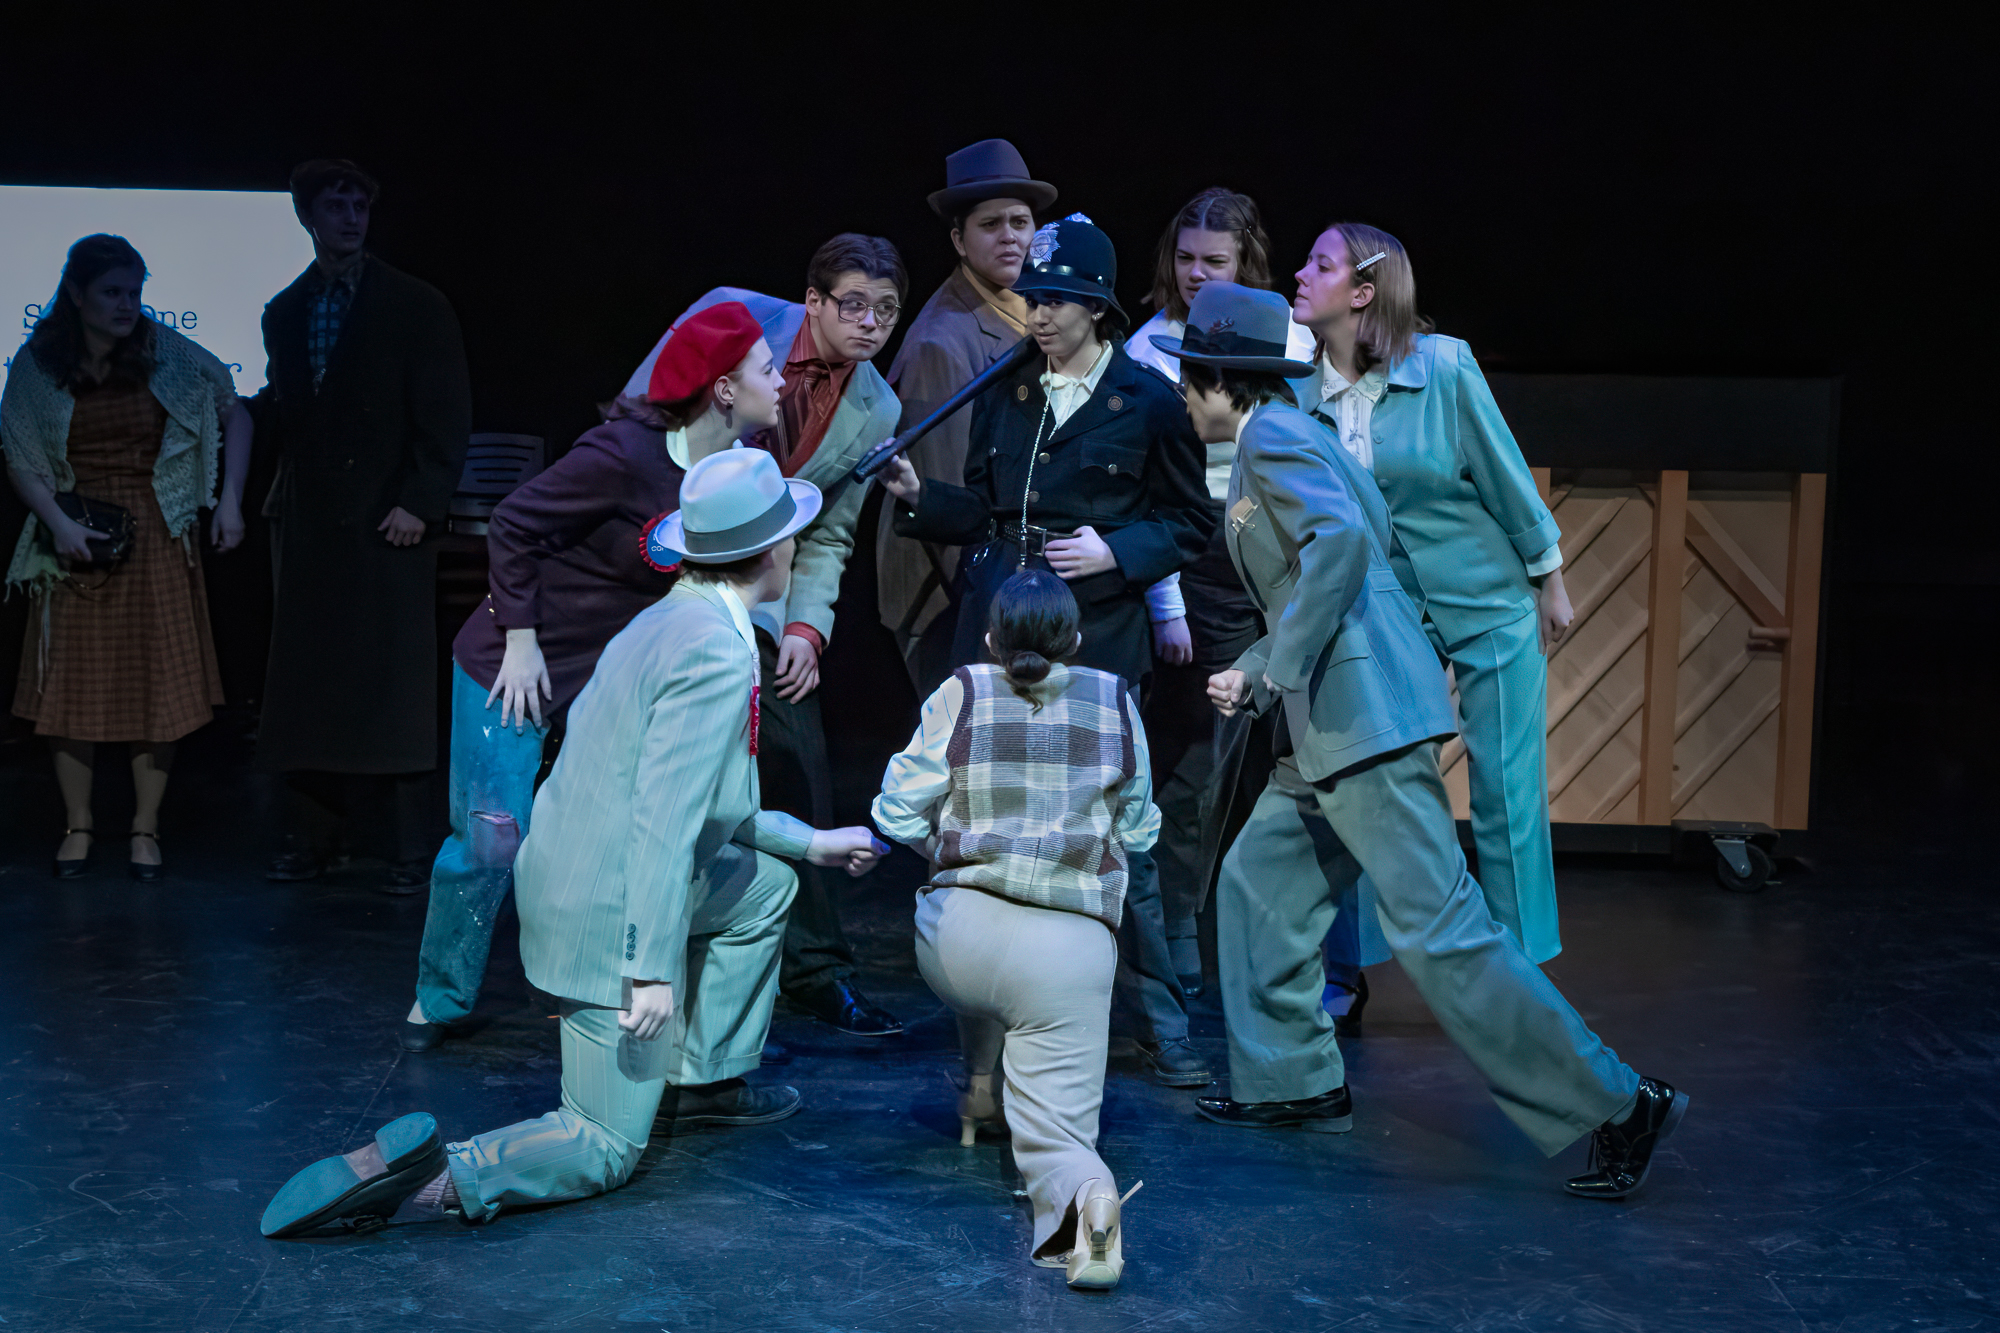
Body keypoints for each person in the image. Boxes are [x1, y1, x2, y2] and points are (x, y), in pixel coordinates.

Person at [259, 449, 888, 1238]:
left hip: (573, 874)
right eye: (790, 534)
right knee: (602, 1144)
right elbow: (663, 822)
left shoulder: (671, 618)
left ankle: (698, 1085)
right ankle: (438, 1176)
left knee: (766, 885)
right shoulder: (714, 653)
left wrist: (813, 842)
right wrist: (649, 972)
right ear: (768, 554)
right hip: (605, 911)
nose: (797, 545)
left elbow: (703, 803)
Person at [1158, 281, 1685, 1199]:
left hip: (1359, 719)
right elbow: (1351, 561)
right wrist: (1263, 664)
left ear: (1215, 379)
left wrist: (1277, 667)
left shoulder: (1275, 438)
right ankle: (1293, 1080)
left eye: (1186, 378)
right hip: (1330, 721)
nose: (1180, 395)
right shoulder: (1296, 432)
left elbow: (1340, 548)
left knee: (1441, 932)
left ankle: (1619, 1101)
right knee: (1257, 883)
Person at [880, 213, 1214, 1088]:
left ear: (1097, 307)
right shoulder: (1009, 388)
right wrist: (919, 495)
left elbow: (1190, 522)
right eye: (1032, 298)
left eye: (1057, 301)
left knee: (1111, 828)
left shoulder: (1147, 402)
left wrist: (1116, 551)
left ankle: (1160, 1025)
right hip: (1000, 627)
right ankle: (995, 1035)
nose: (1038, 315)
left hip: (1095, 639)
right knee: (986, 813)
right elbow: (984, 511)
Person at [398, 300, 776, 1051]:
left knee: (606, 835)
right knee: (493, 841)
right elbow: (514, 522)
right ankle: (439, 999)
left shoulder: (732, 470)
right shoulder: (625, 454)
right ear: (725, 389)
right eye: (767, 369)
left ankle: (586, 982)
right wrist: (520, 638)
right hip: (517, 664)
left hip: (606, 683)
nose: (782, 382)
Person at [620, 236, 908, 1038]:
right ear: (814, 300)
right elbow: (638, 424)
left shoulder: (877, 406)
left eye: (888, 310)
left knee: (795, 752)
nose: (871, 323)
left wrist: (807, 627)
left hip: (762, 598)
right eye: (854, 304)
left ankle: (814, 967)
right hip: (662, 570)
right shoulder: (732, 317)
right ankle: (625, 946)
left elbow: (830, 532)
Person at [1293, 222, 1570, 974]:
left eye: (1320, 264)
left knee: (1506, 789)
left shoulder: (1443, 367)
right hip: (1380, 615)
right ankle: (1354, 969)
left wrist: (1548, 577)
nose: (1300, 274)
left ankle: (1520, 971)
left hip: (1486, 600)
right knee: (1368, 777)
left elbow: (1504, 471)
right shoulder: (1297, 395)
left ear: (1362, 292)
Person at [873, 568, 1154, 1291]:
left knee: (992, 980)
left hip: (962, 938)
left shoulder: (962, 690)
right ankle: (1083, 1203)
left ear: (993, 641)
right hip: (1069, 949)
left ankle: (979, 1087)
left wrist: (953, 848)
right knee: (1059, 1136)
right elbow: (1141, 829)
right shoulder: (1115, 698)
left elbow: (895, 809)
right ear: (1076, 640)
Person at [3, 234, 251, 882]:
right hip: (73, 529)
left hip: (156, 526)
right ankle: (78, 824)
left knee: (157, 686)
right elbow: (21, 456)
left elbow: (235, 410)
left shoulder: (163, 348)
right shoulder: (40, 361)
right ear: (76, 293)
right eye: (112, 292)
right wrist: (58, 524)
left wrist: (229, 500)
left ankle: (145, 826)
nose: (126, 305)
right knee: (71, 686)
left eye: (134, 293)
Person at [254, 158, 471, 892]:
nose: (349, 218)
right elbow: (292, 415)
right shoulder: (285, 311)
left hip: (389, 520)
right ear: (307, 217)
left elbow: (445, 412)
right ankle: (312, 836)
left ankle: (404, 847)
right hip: (315, 523)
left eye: (359, 205)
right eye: (334, 205)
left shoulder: (414, 304)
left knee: (391, 685)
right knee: (311, 685)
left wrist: (421, 500)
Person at [1121, 188, 1317, 996]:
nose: (1197, 274)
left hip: (1264, 549)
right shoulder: (1149, 349)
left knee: (1250, 754)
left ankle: (1231, 927)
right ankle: (1176, 928)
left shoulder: (1287, 340)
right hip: (1193, 553)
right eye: (1186, 258)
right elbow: (1151, 491)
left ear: (1247, 262)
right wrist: (1167, 601)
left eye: (1216, 260)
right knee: (1185, 754)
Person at [879, 139, 1056, 683]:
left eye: (1021, 222)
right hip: (952, 598)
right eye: (991, 224)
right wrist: (995, 605)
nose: (1010, 237)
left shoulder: (1031, 307)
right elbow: (948, 493)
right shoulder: (942, 342)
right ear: (959, 239)